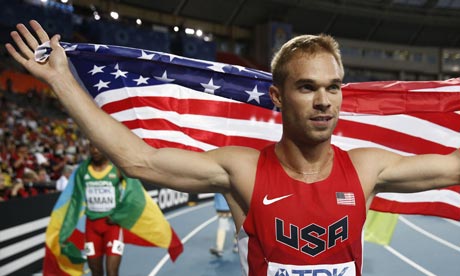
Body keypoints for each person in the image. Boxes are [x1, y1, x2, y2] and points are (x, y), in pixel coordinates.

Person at [6, 20, 460, 276]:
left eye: (334, 87)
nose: (324, 101)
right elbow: (137, 159)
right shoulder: (242, 170)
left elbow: (453, 167)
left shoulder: (366, 168)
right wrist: (62, 81)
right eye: (307, 87)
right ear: (278, 97)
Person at [77, 143, 125, 276]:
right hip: (92, 227)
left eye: (98, 147)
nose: (95, 150)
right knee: (96, 272)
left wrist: (120, 214)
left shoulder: (117, 169)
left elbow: (133, 193)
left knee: (112, 272)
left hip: (112, 226)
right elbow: (75, 197)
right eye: (92, 147)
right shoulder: (83, 170)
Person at [209, 193, 238, 257]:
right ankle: (237, 245)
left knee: (222, 227)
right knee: (236, 225)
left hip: (222, 205)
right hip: (234, 204)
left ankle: (219, 248)